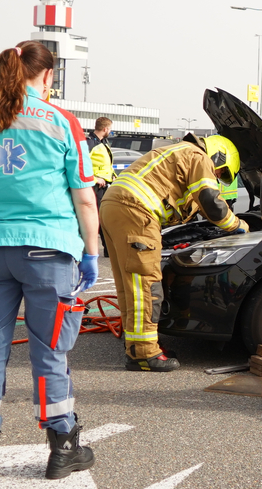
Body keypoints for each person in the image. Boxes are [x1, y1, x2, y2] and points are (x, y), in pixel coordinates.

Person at [0, 41, 102, 485]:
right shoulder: (61, 121)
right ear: (47, 75)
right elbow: (84, 199)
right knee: (50, 351)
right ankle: (63, 448)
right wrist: (91, 252)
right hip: (49, 251)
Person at [102, 134, 244, 371]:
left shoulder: (180, 154)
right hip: (136, 210)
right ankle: (145, 354)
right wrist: (237, 225)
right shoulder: (198, 156)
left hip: (115, 205)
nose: (217, 176)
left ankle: (137, 346)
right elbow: (211, 202)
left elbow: (194, 204)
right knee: (147, 284)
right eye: (221, 172)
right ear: (219, 156)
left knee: (131, 284)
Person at [205, 135, 241, 208]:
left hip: (223, 198)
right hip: (221, 198)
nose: (218, 176)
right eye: (221, 170)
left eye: (222, 172)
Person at [87, 117, 116, 201]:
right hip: (95, 185)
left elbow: (107, 164)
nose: (110, 131)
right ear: (105, 129)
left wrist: (113, 175)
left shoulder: (104, 142)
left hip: (104, 185)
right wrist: (94, 179)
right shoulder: (90, 143)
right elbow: (79, 164)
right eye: (110, 129)